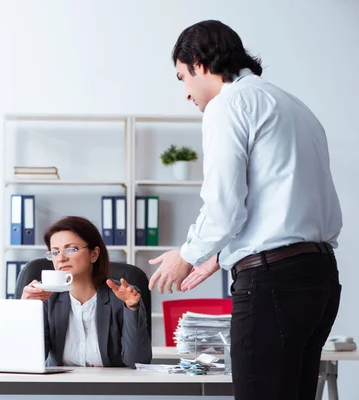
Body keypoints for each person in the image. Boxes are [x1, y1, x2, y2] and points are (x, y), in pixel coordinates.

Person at [147, 20, 343, 400]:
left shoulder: (228, 104)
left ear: (200, 63)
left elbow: (223, 204)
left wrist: (187, 255)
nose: (187, 94)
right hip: (319, 280)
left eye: (182, 77)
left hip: (274, 285)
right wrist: (220, 255)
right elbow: (278, 199)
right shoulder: (293, 105)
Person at [21, 215, 152, 368]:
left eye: (71, 249)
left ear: (94, 254)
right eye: (55, 252)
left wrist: (132, 308)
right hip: (58, 386)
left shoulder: (122, 296)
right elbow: (29, 358)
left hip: (110, 386)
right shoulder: (45, 297)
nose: (61, 258)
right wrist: (27, 311)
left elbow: (138, 362)